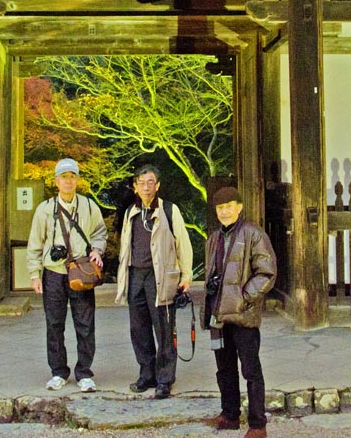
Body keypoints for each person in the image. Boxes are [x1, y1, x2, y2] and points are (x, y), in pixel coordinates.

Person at [26, 157, 108, 391]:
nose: (68, 181)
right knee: (54, 324)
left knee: (85, 323)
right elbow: (35, 243)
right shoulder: (45, 209)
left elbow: (100, 232)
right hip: (53, 273)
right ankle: (58, 371)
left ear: (77, 180)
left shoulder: (89, 206)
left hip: (80, 272)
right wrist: (34, 274)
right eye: (64, 177)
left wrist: (97, 250)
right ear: (56, 181)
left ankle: (84, 373)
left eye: (72, 177)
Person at [114, 163, 193, 399]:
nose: (146, 187)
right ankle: (146, 374)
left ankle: (165, 378)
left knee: (164, 329)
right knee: (138, 329)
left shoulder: (169, 210)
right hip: (136, 275)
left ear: (157, 185)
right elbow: (125, 246)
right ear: (135, 186)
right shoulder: (131, 212)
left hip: (160, 276)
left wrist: (186, 276)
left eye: (150, 182)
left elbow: (183, 244)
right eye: (141, 183)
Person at [202, 186, 276, 438]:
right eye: (220, 208)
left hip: (243, 315)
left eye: (228, 207)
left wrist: (244, 299)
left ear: (239, 207)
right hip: (219, 314)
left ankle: (258, 424)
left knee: (251, 370)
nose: (224, 212)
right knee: (224, 369)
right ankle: (230, 415)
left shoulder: (253, 234)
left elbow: (266, 273)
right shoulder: (214, 238)